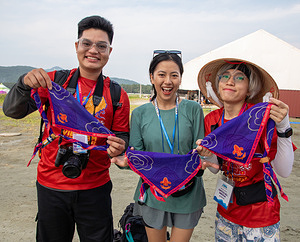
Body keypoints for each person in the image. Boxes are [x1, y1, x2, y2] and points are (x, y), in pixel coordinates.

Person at [3, 15, 130, 241]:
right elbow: (13, 111)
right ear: (76, 46)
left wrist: (119, 147)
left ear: (110, 51)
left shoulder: (117, 94)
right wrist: (23, 83)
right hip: (51, 185)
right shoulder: (53, 82)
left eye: (101, 46)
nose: (93, 50)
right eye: (86, 43)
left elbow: (121, 138)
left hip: (95, 188)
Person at [196, 58, 295, 241]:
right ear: (217, 86)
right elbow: (215, 167)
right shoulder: (212, 120)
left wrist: (283, 127)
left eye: (239, 77)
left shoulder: (261, 118)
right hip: (226, 211)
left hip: (261, 215)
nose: (230, 81)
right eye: (224, 76)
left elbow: (284, 171)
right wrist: (208, 155)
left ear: (250, 88)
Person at [112, 50, 207, 242]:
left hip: (187, 192)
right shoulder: (140, 114)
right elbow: (137, 153)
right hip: (154, 193)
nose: (168, 81)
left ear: (180, 79)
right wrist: (127, 162)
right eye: (161, 74)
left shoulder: (193, 110)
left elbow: (200, 152)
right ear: (152, 77)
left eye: (174, 75)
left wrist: (203, 158)